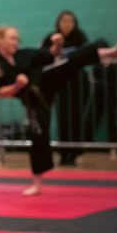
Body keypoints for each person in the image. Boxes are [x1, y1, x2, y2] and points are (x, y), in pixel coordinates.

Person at [0, 26, 117, 195]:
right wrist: (17, 85)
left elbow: (51, 53)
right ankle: (37, 184)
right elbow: (1, 93)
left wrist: (57, 44)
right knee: (38, 136)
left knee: (68, 61)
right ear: (0, 40)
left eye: (17, 38)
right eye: (12, 38)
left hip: (46, 82)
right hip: (35, 99)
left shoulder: (24, 54)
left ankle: (109, 52)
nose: (16, 42)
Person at [40, 10, 90, 166]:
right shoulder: (51, 38)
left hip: (77, 83)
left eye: (70, 21)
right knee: (63, 118)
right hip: (59, 83)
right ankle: (63, 152)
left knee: (76, 117)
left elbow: (86, 56)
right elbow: (43, 55)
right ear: (58, 23)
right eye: (64, 21)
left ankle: (74, 152)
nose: (67, 24)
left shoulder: (80, 37)